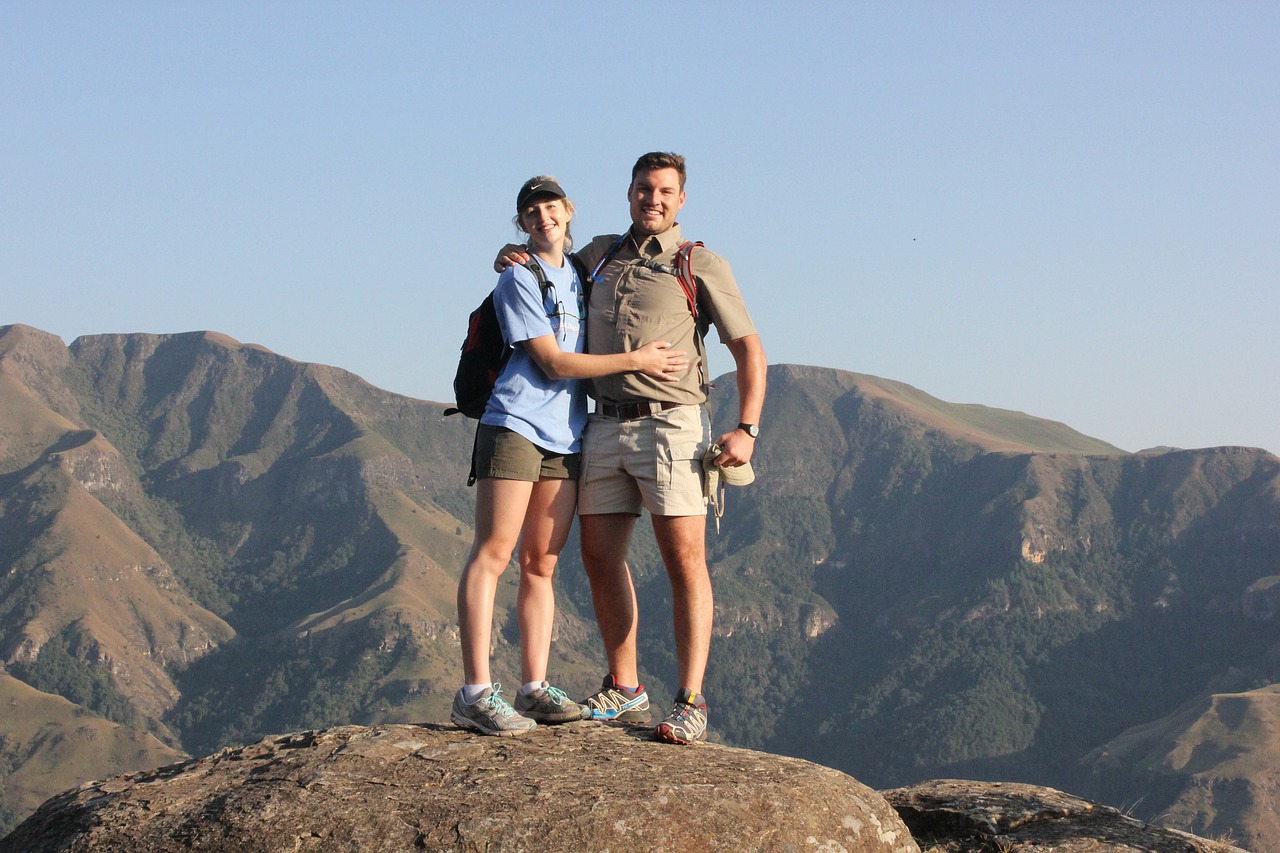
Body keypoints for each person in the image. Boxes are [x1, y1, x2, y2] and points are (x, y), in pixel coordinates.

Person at [497, 153, 767, 744]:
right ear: (629, 192)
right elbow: (544, 263)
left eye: (666, 191)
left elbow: (749, 349)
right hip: (602, 425)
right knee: (598, 557)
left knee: (683, 562)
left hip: (674, 427)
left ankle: (690, 699)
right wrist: (509, 254)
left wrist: (747, 429)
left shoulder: (699, 264)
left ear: (681, 199)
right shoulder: (596, 256)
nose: (655, 199)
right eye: (646, 189)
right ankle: (625, 687)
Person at [452, 176, 688, 736]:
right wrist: (638, 362)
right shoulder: (518, 277)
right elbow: (553, 364)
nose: (542, 217)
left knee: (541, 563)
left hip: (567, 434)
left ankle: (533, 687)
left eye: (550, 207)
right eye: (530, 212)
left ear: (568, 211)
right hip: (514, 424)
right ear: (522, 222)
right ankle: (475, 692)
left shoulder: (586, 272)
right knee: (494, 552)